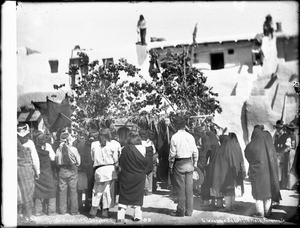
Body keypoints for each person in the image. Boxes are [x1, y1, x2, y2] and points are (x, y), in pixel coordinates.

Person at [245, 125, 281, 218]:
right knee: (268, 192)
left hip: (257, 171)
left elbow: (247, 152)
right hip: (269, 170)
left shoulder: (254, 142)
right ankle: (267, 212)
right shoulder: (267, 137)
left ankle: (260, 213)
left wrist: (253, 162)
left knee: (258, 193)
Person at [117, 131, 152, 223]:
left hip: (126, 176)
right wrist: (149, 149)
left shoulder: (124, 149)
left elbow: (121, 163)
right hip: (139, 176)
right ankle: (137, 216)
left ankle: (120, 216)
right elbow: (148, 162)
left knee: (124, 195)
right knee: (138, 196)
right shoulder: (143, 148)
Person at [169, 116, 198, 217]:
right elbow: (195, 151)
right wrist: (195, 164)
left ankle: (181, 211)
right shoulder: (190, 136)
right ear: (184, 125)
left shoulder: (174, 137)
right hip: (189, 163)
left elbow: (172, 154)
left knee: (181, 188)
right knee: (189, 189)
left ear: (176, 125)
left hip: (179, 163)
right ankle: (189, 211)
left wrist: (171, 165)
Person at [209, 133, 246, 212]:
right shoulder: (234, 147)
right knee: (231, 190)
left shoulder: (222, 149)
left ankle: (228, 207)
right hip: (233, 174)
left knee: (227, 191)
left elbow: (218, 164)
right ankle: (231, 206)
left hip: (224, 175)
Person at [89, 129, 119, 219]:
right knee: (106, 191)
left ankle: (93, 210)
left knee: (97, 190)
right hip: (109, 169)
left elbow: (92, 157)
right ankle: (105, 211)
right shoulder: (112, 145)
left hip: (99, 169)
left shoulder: (94, 144)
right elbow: (116, 160)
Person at [17, 123, 40, 224]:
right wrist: (37, 171)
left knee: (17, 192)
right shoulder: (30, 143)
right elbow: (35, 159)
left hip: (15, 170)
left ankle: (18, 215)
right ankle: (28, 216)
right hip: (27, 170)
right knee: (28, 193)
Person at [55, 131, 81, 215]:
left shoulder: (58, 150)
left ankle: (62, 210)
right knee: (73, 190)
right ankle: (74, 211)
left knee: (62, 191)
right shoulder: (73, 149)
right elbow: (79, 162)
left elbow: (56, 162)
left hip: (62, 170)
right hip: (72, 169)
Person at [33, 131, 57, 216]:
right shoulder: (48, 146)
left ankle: (38, 211)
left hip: (38, 172)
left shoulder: (34, 147)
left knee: (38, 190)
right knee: (51, 189)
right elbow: (53, 158)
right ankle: (51, 211)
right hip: (47, 171)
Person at [72, 128, 89, 212]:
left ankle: (79, 205)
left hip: (77, 168)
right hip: (86, 168)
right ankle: (86, 205)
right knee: (86, 188)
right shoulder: (87, 142)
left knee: (78, 188)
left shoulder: (74, 142)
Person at [282, 122, 298, 190]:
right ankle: (290, 184)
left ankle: (288, 185)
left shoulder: (289, 136)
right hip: (293, 152)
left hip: (289, 152)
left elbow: (289, 147)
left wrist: (284, 151)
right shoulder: (294, 136)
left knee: (288, 168)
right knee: (291, 167)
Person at [139, 129, 155, 196]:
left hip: (144, 160)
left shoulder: (140, 143)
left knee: (144, 175)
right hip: (150, 160)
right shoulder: (150, 142)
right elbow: (154, 151)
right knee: (150, 175)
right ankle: (150, 190)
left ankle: (146, 189)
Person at [273, 120, 289, 188]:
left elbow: (288, 147)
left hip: (283, 155)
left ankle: (282, 184)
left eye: (279, 128)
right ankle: (277, 183)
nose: (278, 129)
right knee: (276, 169)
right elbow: (274, 144)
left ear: (282, 129)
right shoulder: (276, 135)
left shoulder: (286, 136)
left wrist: (281, 153)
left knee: (282, 169)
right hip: (276, 154)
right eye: (277, 128)